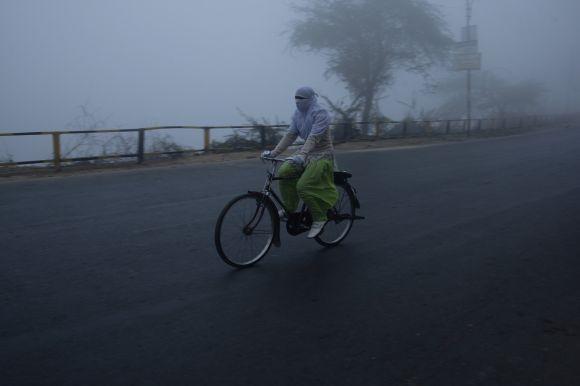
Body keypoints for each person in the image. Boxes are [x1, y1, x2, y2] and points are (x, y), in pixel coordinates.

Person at [261, 86, 338, 238]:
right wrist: (274, 152)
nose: (298, 101)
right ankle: (290, 208)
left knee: (303, 186)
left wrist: (302, 155)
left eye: (301, 98)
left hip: (321, 154)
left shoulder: (320, 113)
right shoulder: (298, 114)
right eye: (296, 98)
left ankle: (319, 218)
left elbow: (314, 137)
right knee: (284, 172)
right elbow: (290, 135)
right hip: (304, 153)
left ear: (310, 99)